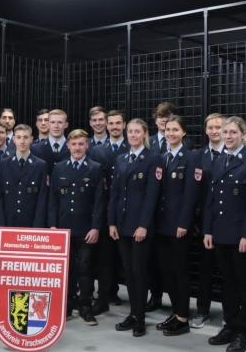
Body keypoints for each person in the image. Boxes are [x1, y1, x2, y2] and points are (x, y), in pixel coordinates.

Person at [204, 117, 246, 352]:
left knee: (245, 285)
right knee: (228, 284)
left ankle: (245, 332)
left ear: (243, 134)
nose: (228, 136)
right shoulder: (220, 160)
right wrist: (208, 230)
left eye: (233, 132)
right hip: (221, 234)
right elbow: (212, 200)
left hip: (242, 236)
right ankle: (230, 325)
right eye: (225, 132)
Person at [108, 118, 163, 338]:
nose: (132, 135)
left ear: (144, 134)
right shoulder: (120, 159)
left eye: (137, 131)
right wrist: (111, 222)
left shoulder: (153, 159)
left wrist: (143, 225)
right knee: (128, 273)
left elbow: (152, 196)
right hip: (122, 226)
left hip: (140, 227)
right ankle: (133, 312)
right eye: (129, 131)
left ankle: (140, 319)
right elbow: (114, 194)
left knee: (139, 272)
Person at [48, 129, 105, 326]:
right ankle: (67, 306)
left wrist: (96, 227)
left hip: (86, 229)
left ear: (87, 146)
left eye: (81, 144)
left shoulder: (95, 168)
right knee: (67, 270)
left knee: (85, 269)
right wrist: (53, 225)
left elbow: (99, 201)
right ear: (68, 146)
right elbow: (53, 200)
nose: (78, 148)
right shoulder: (59, 168)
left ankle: (85, 307)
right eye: (74, 144)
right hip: (63, 229)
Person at [153, 116, 198, 337]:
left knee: (180, 272)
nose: (170, 133)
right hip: (162, 225)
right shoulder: (162, 158)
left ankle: (183, 317)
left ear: (183, 133)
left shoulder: (190, 158)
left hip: (179, 226)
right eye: (168, 129)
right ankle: (175, 312)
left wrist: (184, 223)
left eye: (175, 130)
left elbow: (191, 195)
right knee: (167, 271)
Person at [90, 110, 130, 315]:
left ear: (124, 125)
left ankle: (136, 301)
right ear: (106, 125)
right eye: (111, 123)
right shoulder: (96, 150)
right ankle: (103, 297)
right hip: (106, 210)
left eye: (117, 123)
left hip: (129, 211)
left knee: (129, 259)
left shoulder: (132, 146)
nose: (114, 126)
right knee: (105, 258)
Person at [190, 113, 225, 329]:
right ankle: (202, 311)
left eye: (218, 127)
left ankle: (230, 313)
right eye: (210, 127)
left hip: (228, 223)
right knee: (204, 270)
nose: (214, 131)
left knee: (229, 271)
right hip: (202, 224)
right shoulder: (197, 156)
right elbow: (192, 192)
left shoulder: (234, 154)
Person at [0, 124, 48, 228]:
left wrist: (38, 226)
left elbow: (42, 198)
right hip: (8, 222)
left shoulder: (40, 165)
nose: (22, 141)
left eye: (26, 137)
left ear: (31, 139)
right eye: (18, 137)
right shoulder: (4, 164)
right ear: (13, 139)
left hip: (31, 222)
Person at [31, 109, 70, 174]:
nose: (56, 126)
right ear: (48, 124)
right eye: (52, 122)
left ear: (66, 125)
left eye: (60, 122)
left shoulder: (74, 147)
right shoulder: (35, 149)